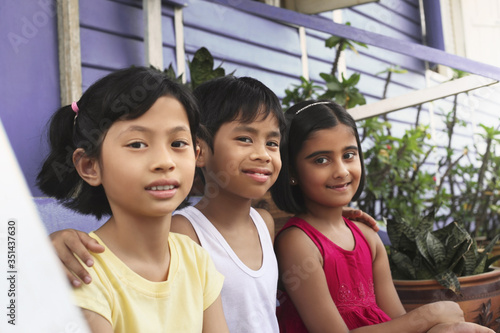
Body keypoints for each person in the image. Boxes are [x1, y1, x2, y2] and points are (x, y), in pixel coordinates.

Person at [48, 77, 379, 332]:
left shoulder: (254, 228)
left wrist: (335, 217)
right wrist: (43, 247)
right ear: (202, 151)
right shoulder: (184, 235)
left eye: (273, 142)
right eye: (138, 144)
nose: (164, 160)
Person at [270, 100, 494, 333]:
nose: (341, 171)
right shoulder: (298, 243)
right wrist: (429, 314)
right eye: (321, 160)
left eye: (348, 155)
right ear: (292, 171)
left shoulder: (367, 236)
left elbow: (397, 320)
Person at [37, 67, 228, 333]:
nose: (165, 162)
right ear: (90, 166)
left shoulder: (196, 259)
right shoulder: (82, 273)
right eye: (137, 144)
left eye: (178, 143)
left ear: (196, 155)